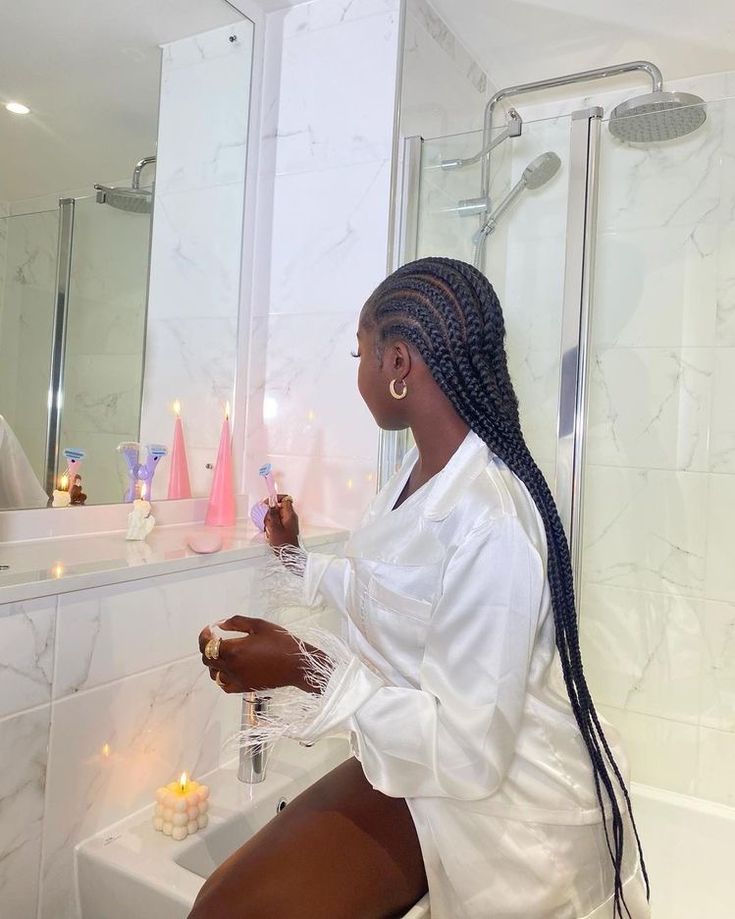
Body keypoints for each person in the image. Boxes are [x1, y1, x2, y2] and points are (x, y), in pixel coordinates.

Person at [191, 257, 650, 919]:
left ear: (397, 362)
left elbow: (468, 754)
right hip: (421, 767)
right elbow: (395, 596)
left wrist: (306, 667)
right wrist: (295, 559)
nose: (357, 375)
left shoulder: (492, 520)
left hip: (503, 811)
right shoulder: (418, 470)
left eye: (360, 354)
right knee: (222, 901)